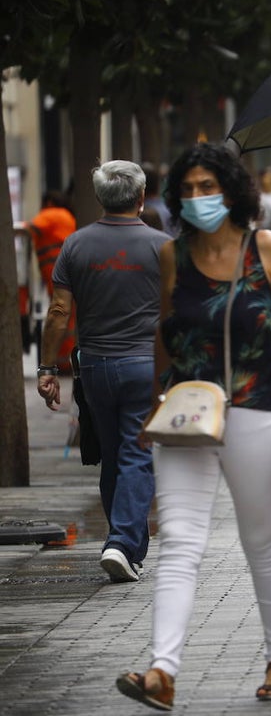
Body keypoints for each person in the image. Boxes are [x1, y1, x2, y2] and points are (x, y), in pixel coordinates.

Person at [115, 143, 271, 710]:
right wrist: (154, 403)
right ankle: (163, 670)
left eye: (208, 187)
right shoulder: (172, 256)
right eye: (188, 189)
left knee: (263, 543)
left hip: (260, 410)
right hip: (187, 411)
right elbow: (167, 330)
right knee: (180, 542)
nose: (198, 198)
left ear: (231, 191)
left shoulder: (267, 248)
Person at [36, 161, 170, 584]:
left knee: (114, 455)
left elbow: (58, 311)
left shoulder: (75, 246)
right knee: (137, 453)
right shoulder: (163, 247)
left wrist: (46, 367)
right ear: (141, 196)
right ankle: (123, 544)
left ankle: (125, 546)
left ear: (99, 198)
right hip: (145, 368)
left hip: (94, 367)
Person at [28, 189, 77, 370]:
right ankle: (67, 362)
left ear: (48, 202)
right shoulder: (67, 216)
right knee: (69, 316)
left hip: (56, 273)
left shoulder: (51, 214)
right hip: (67, 272)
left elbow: (30, 228)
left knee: (60, 313)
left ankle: (63, 363)